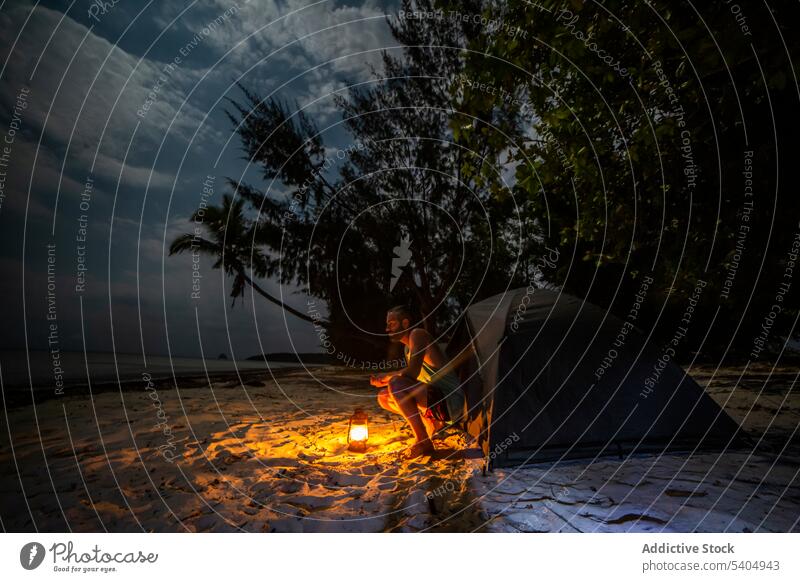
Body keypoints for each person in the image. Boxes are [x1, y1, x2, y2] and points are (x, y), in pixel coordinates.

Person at [370, 305, 465, 459]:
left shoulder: (418, 334)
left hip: (450, 401)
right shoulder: (407, 349)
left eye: (392, 323)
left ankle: (423, 440)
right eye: (387, 324)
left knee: (395, 384)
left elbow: (412, 373)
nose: (387, 328)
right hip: (434, 401)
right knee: (383, 396)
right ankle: (431, 425)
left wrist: (387, 377)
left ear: (405, 323)